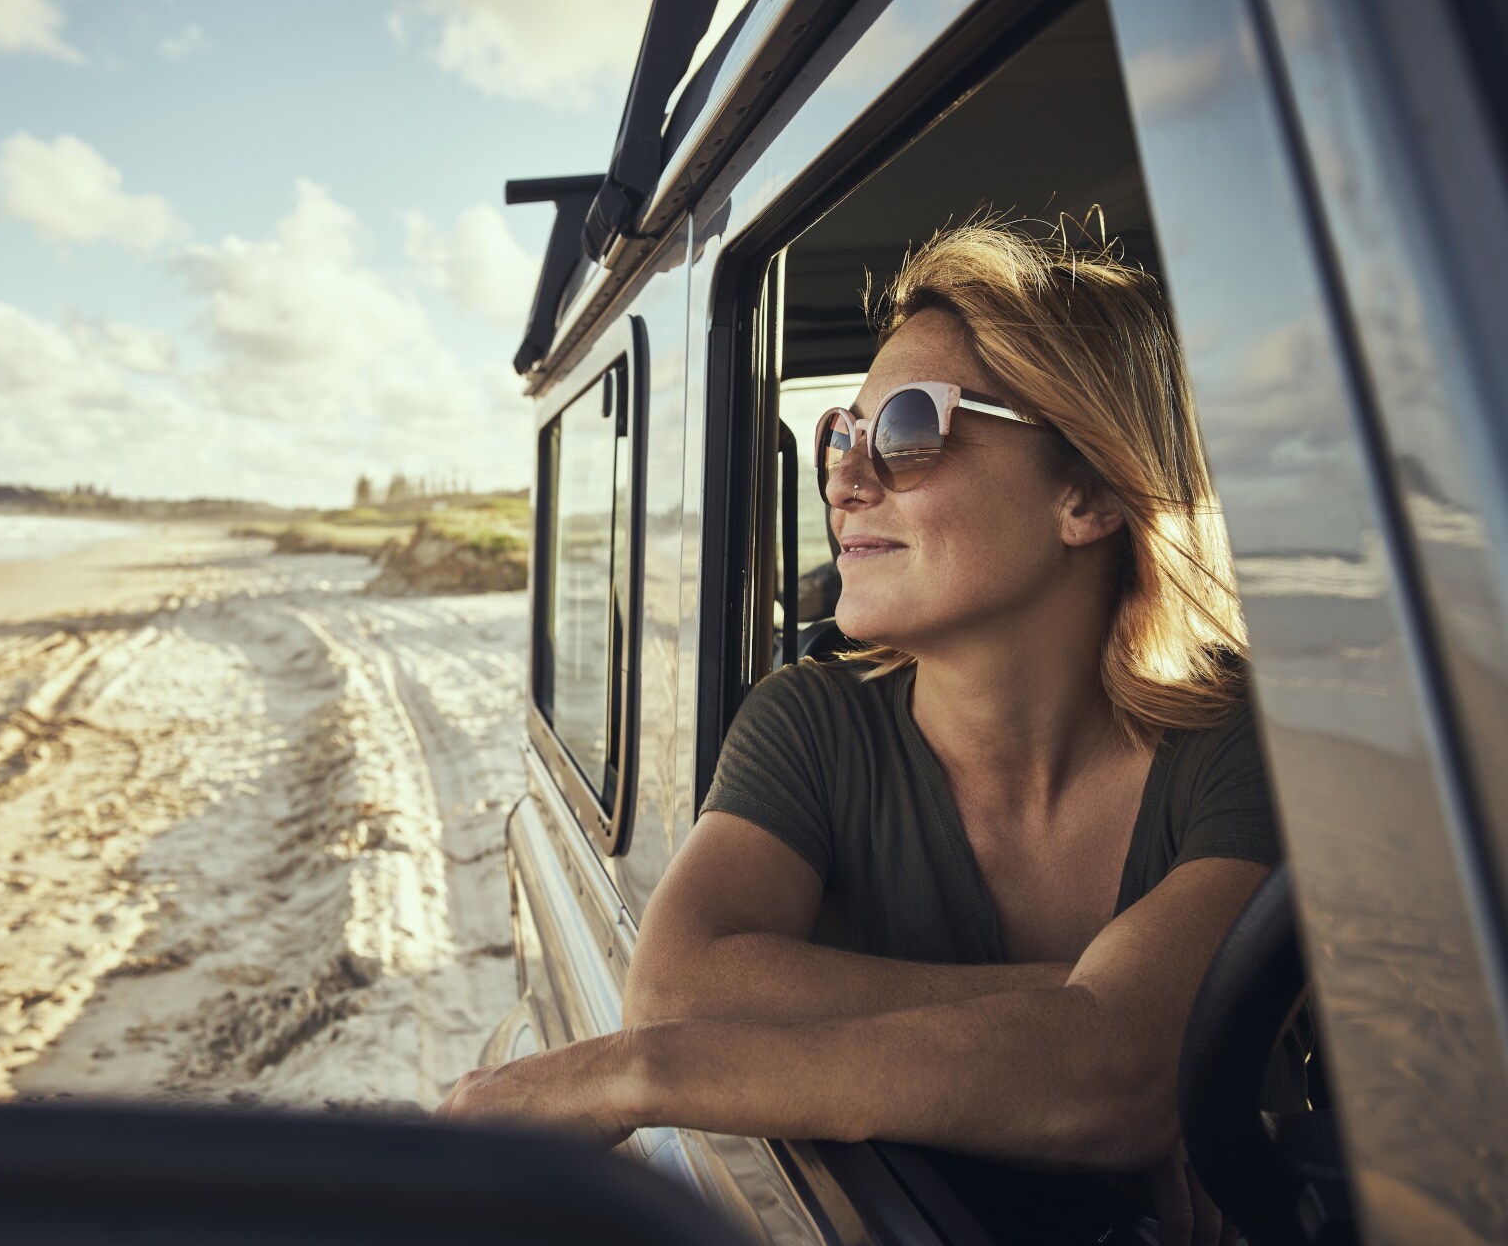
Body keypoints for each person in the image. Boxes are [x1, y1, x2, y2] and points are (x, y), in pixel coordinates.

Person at [437, 221, 1280, 1245]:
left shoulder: (1244, 740)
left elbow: (1122, 1077)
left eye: (910, 428)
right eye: (844, 432)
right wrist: (1092, 1008)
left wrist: (632, 1075)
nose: (844, 479)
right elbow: (676, 991)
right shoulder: (811, 724)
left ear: (1090, 490)